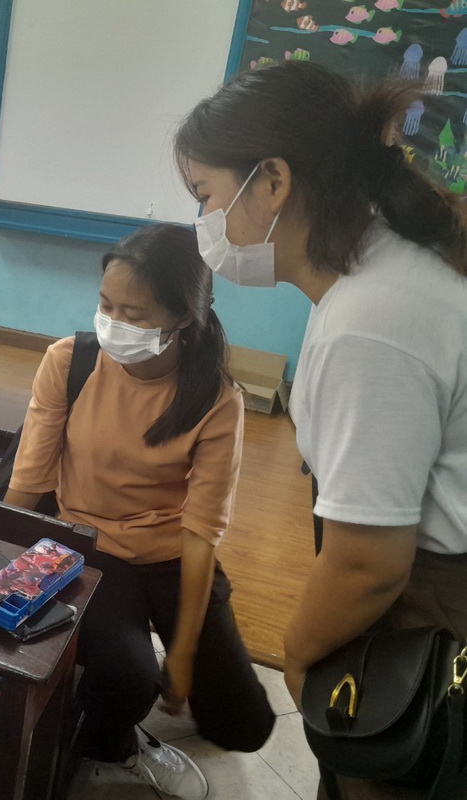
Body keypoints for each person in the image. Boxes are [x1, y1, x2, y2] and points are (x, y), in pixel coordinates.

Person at [175, 61, 467, 798]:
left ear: (272, 180)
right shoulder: (394, 273)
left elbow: (368, 563)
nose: (204, 222)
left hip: (427, 615)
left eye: (204, 195)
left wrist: (300, 655)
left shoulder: (369, 321)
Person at [4, 223, 274, 800]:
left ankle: (115, 674)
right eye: (106, 305)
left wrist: (185, 651)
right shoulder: (70, 362)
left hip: (174, 552)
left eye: (135, 314)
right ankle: (109, 743)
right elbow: (29, 479)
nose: (113, 323)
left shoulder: (216, 398)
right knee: (131, 677)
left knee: (244, 726)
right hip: (90, 545)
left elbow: (201, 531)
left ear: (183, 319)